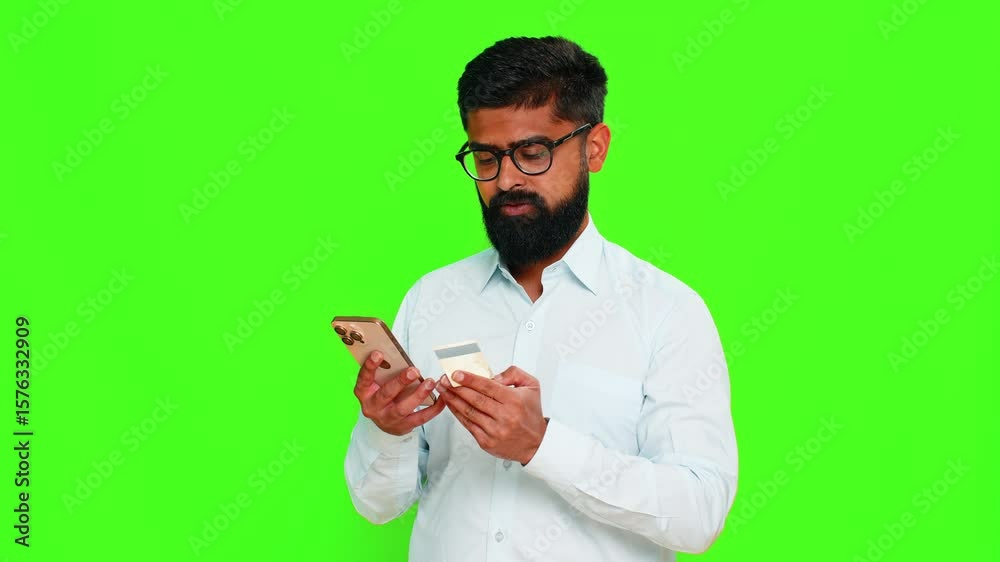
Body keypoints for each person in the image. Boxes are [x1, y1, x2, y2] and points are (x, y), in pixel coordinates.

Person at [344, 36, 737, 561]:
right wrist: (387, 430)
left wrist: (541, 444)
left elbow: (699, 514)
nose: (506, 180)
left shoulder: (666, 312)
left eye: (532, 154)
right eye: (486, 158)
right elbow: (377, 506)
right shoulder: (433, 297)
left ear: (594, 147)